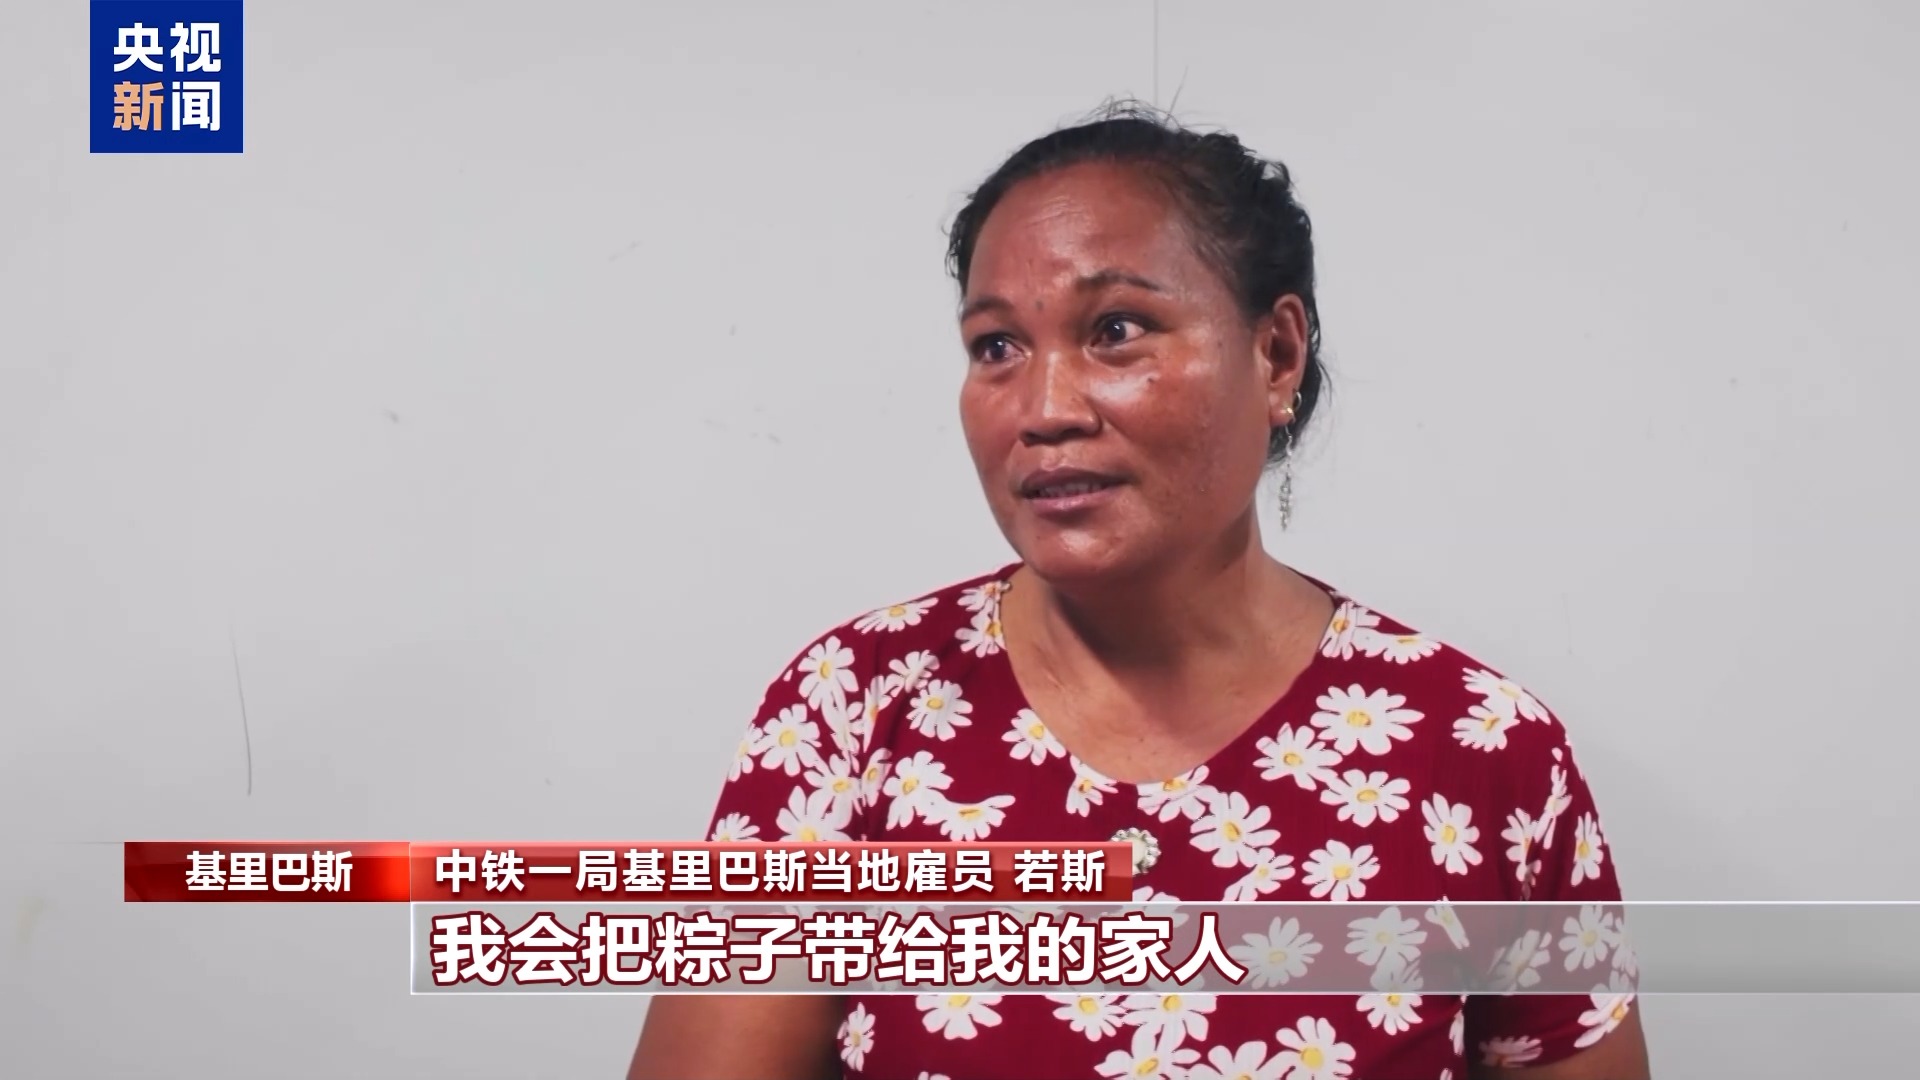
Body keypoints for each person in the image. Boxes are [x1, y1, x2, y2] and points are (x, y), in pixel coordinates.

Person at [629, 101, 1650, 1080]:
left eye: (1117, 329)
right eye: (996, 347)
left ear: (1276, 354)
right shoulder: (853, 710)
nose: (1043, 408)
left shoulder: (1479, 753)